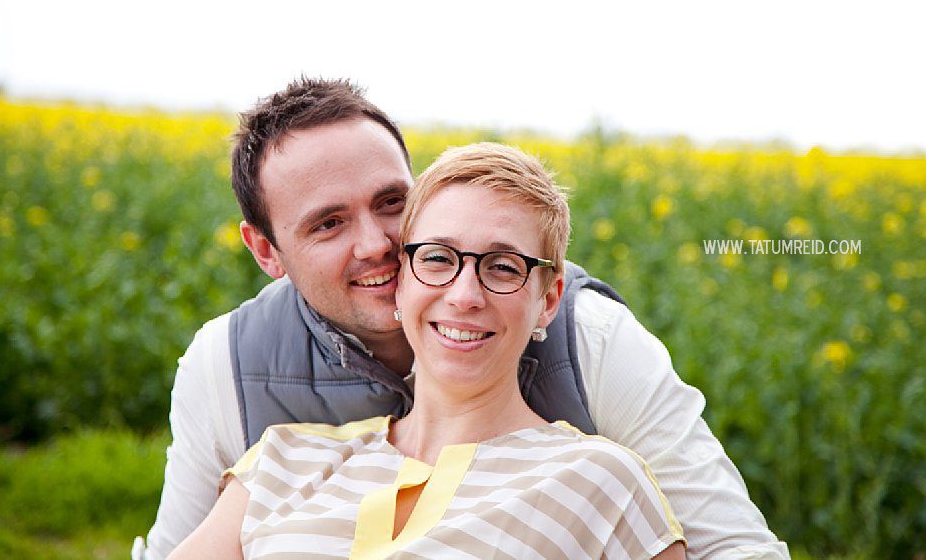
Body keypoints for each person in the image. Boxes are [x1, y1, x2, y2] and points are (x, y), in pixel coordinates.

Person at [133, 78, 789, 559]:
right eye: (329, 223)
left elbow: (732, 545)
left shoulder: (593, 357)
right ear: (267, 251)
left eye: (393, 203)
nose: (376, 245)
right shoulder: (248, 400)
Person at [167, 143, 687, 559]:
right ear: (401, 280)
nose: (464, 296)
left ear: (548, 300)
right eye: (438, 259)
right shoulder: (279, 464)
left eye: (503, 267)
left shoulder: (603, 483)